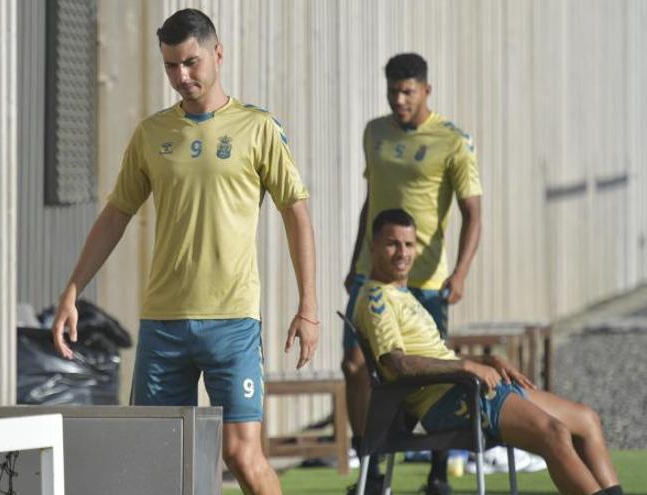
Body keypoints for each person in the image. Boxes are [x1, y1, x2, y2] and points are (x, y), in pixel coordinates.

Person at [50, 8, 319, 494]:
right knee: (152, 461)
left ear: (218, 54)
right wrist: (72, 289)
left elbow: (295, 212)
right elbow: (115, 215)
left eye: (191, 63)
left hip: (233, 321)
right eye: (171, 66)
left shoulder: (258, 128)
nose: (182, 76)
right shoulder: (152, 135)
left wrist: (309, 306)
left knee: (241, 453)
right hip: (163, 323)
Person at [354, 208, 624, 495]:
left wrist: (484, 360)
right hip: (447, 400)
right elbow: (398, 364)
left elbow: (436, 355)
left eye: (409, 244)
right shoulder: (377, 298)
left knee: (586, 419)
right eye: (392, 243)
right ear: (373, 246)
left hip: (469, 387)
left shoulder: (404, 294)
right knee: (553, 433)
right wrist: (466, 368)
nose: (402, 253)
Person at [341, 52, 482, 495]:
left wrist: (459, 272)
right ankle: (372, 470)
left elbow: (473, 212)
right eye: (393, 91)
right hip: (371, 274)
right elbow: (372, 199)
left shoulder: (452, 139)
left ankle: (438, 473)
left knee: (433, 372)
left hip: (426, 281)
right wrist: (353, 261)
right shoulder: (375, 133)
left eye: (408, 91)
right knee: (355, 365)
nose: (399, 100)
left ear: (426, 90)